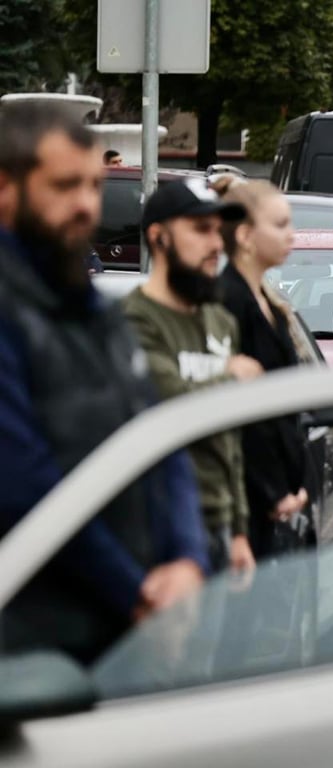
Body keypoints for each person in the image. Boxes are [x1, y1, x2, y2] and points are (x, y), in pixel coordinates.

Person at [0, 101, 208, 664]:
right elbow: (23, 487)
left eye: (94, 185)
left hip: (126, 637)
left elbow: (161, 439)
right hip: (36, 651)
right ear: (5, 189)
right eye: (65, 186)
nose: (87, 205)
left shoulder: (100, 313)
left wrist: (188, 560)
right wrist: (138, 595)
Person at [121, 178, 258, 575]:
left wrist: (239, 529)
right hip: (161, 530)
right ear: (159, 237)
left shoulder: (220, 321)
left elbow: (230, 438)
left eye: (218, 231)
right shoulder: (133, 320)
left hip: (219, 525)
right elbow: (168, 407)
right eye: (200, 230)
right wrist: (233, 379)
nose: (216, 244)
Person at [213, 176, 313, 559]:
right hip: (248, 499)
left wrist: (295, 484)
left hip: (276, 496)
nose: (291, 234)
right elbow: (242, 413)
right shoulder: (229, 301)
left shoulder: (269, 302)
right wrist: (271, 490)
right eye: (280, 224)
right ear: (245, 236)